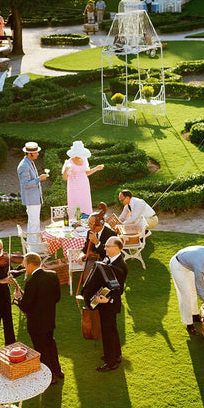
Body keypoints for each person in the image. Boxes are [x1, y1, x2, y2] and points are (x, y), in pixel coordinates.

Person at [15, 252, 64, 384]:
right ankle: (58, 370)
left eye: (25, 264)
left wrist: (19, 298)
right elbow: (57, 297)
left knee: (41, 349)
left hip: (36, 324)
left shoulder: (31, 282)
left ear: (30, 265)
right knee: (51, 345)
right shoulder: (52, 275)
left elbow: (25, 307)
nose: (25, 267)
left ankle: (50, 377)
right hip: (49, 319)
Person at [82, 236, 128, 372]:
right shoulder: (110, 259)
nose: (105, 248)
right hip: (105, 302)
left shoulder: (119, 266)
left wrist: (108, 300)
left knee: (108, 332)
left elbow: (118, 289)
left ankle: (111, 361)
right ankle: (116, 354)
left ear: (117, 248)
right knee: (112, 329)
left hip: (109, 304)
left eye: (108, 246)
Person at [61, 140, 104, 218]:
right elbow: (64, 178)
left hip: (84, 185)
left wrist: (96, 168)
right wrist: (66, 170)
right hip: (74, 187)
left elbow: (86, 173)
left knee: (85, 203)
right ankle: (75, 222)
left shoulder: (84, 159)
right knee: (76, 203)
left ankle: (87, 221)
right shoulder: (69, 162)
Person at [17, 141, 49, 243]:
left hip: (35, 198)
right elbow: (26, 184)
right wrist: (39, 179)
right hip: (31, 200)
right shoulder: (24, 166)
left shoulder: (29, 162)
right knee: (34, 224)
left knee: (34, 223)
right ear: (30, 154)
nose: (38, 154)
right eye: (36, 152)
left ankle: (34, 245)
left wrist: (39, 178)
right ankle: (34, 247)